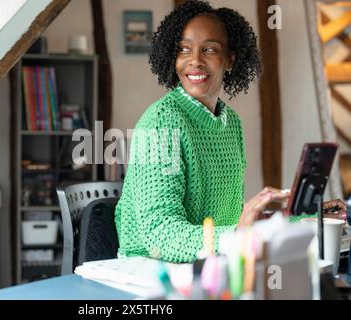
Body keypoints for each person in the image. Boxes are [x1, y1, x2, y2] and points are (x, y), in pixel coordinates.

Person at [114, 0, 347, 263]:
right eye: (184, 49)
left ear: (229, 60)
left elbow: (231, 220)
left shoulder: (231, 123)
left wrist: (305, 219)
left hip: (211, 265)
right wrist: (239, 234)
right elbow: (160, 233)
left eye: (209, 49)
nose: (195, 61)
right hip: (149, 271)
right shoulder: (160, 122)